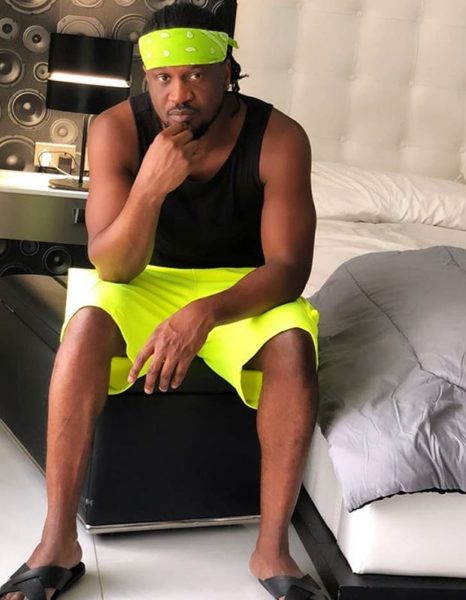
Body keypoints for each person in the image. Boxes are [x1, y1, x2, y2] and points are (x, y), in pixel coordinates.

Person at [0, 4, 327, 600]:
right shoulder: (117, 129)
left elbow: (288, 270)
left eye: (196, 75)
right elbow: (113, 265)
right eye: (163, 78)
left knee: (292, 347)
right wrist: (150, 187)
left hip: (240, 285)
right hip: (142, 277)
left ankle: (272, 551)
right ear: (147, 78)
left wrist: (204, 313)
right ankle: (56, 544)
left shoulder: (280, 138)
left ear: (227, 72)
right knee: (84, 329)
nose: (179, 94)